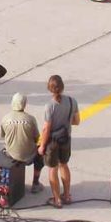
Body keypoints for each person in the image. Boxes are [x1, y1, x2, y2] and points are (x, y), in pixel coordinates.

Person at [37, 75, 80, 209]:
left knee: (52, 169)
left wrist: (42, 146)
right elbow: (77, 121)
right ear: (62, 87)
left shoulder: (50, 106)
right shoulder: (72, 101)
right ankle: (67, 195)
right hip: (66, 138)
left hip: (52, 142)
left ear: (50, 89)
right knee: (64, 165)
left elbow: (46, 129)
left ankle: (57, 199)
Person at [0, 93, 45, 193]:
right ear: (24, 104)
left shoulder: (5, 118)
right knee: (41, 154)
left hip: (11, 155)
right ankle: (35, 184)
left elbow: (3, 136)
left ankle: (5, 181)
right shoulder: (30, 119)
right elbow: (36, 138)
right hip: (29, 156)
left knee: (3, 150)